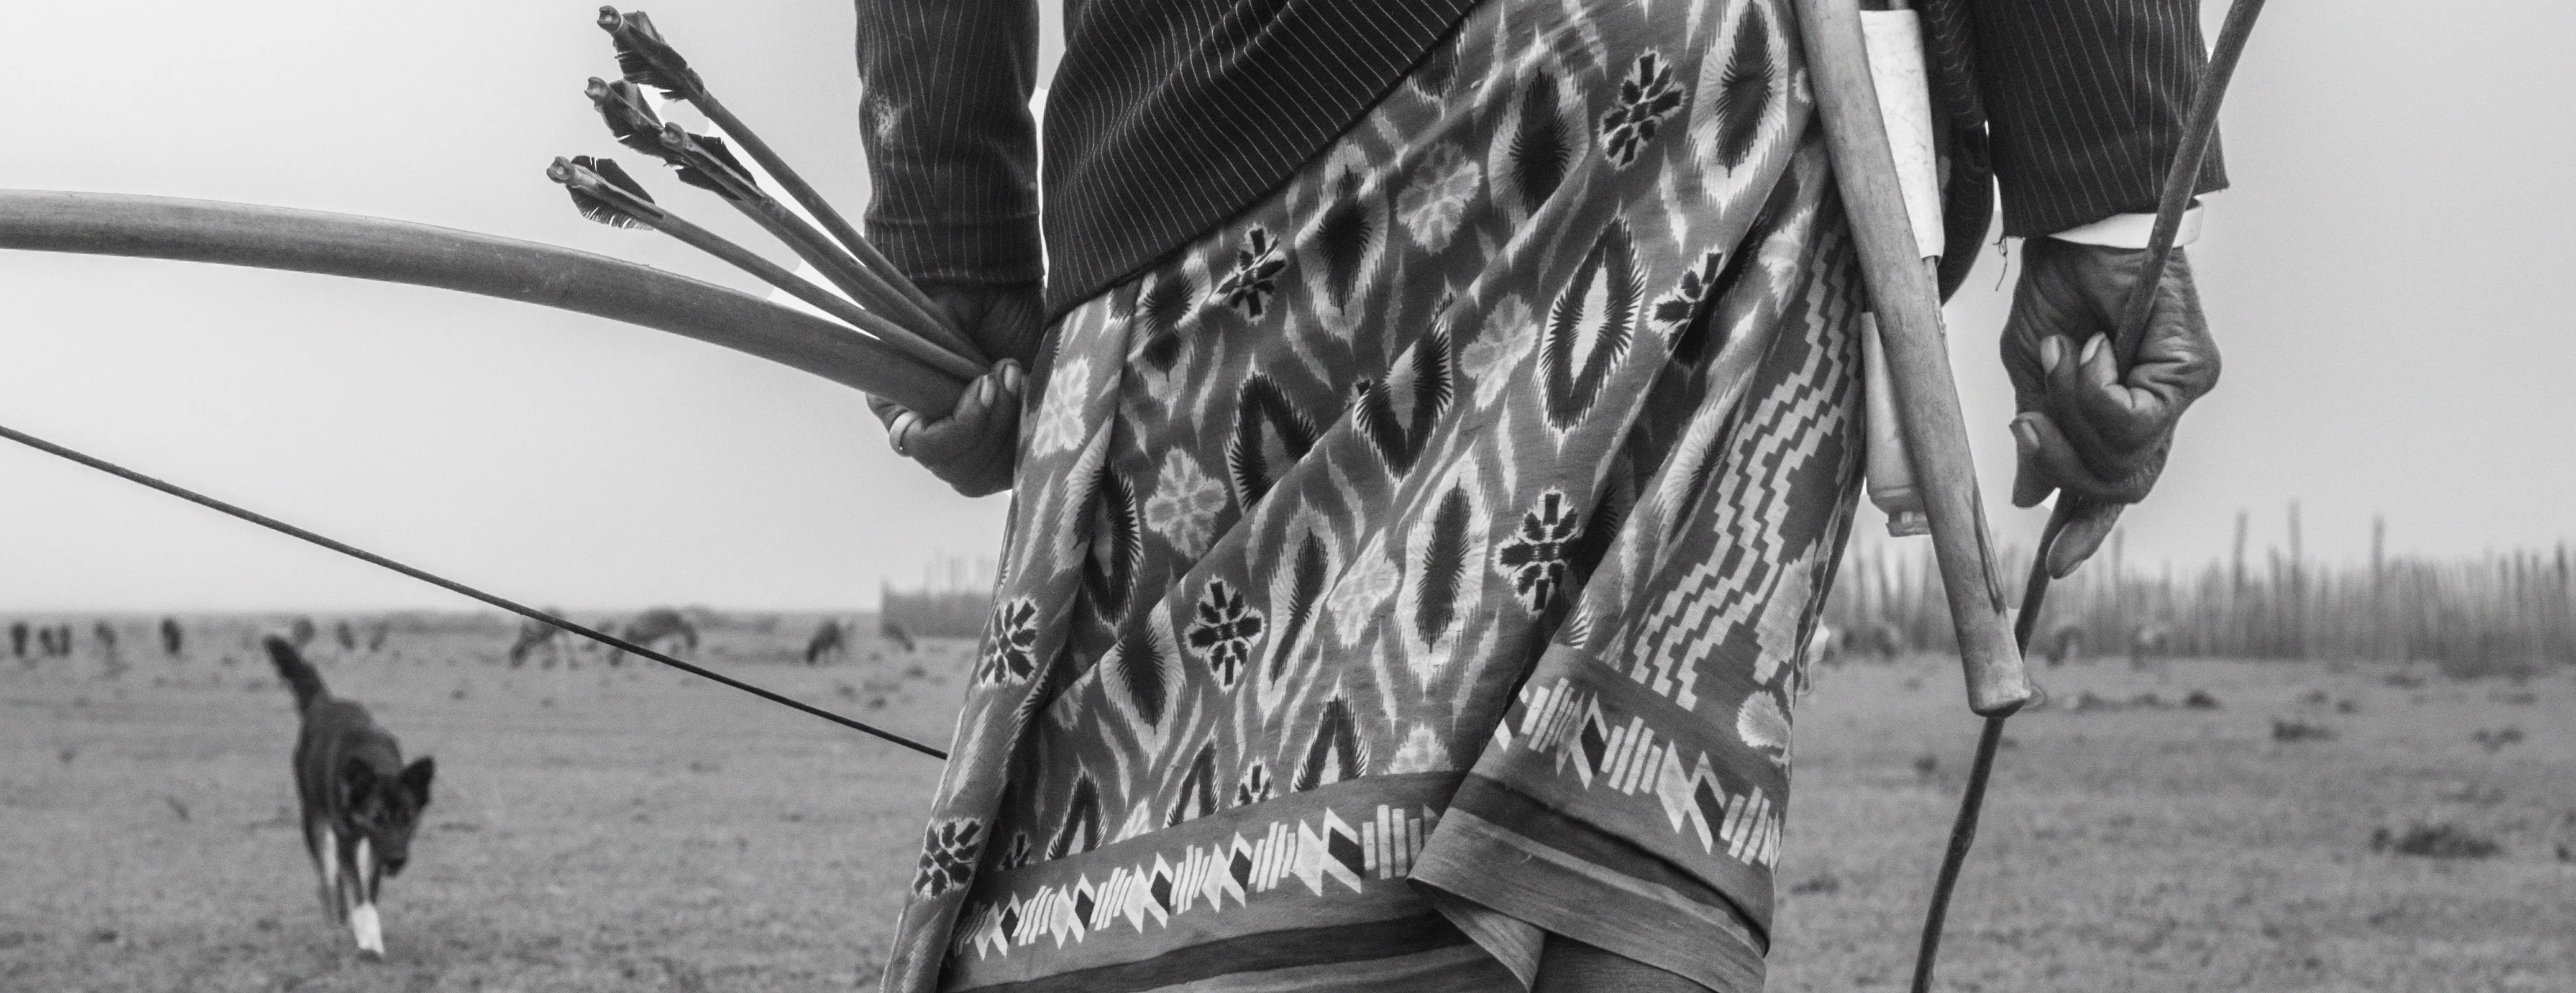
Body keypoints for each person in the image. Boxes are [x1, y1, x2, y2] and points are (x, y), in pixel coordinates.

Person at [851, 1, 2226, 990]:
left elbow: (950, 237)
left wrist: (943, 232)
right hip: (1699, 102)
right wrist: (2107, 194)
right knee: (1604, 891)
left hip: (1228, 121)